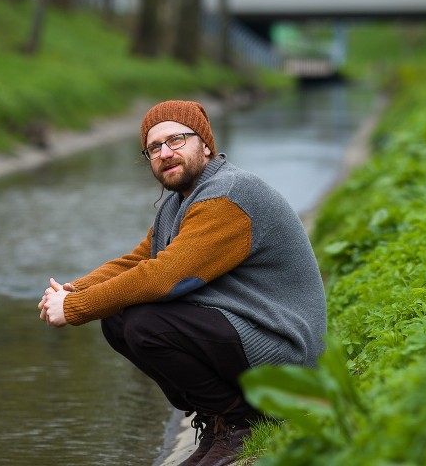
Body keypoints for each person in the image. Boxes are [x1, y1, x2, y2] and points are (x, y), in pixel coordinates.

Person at [39, 100, 327, 466]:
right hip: (248, 331)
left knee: (145, 323)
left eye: (176, 140)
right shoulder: (178, 204)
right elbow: (138, 261)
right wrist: (73, 290)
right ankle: (221, 417)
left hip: (284, 349)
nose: (165, 153)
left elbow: (163, 277)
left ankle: (246, 421)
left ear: (205, 143)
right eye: (154, 148)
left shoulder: (229, 194)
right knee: (117, 318)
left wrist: (76, 309)